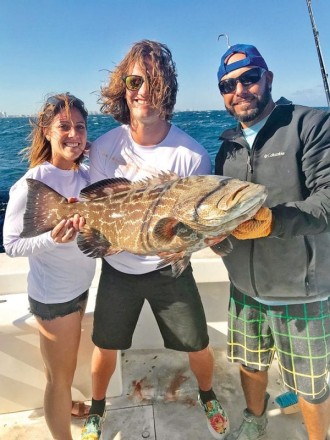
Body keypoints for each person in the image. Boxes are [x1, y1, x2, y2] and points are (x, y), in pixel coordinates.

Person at [80, 40, 229, 440]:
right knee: (105, 345)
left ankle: (208, 394)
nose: (142, 91)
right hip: (117, 268)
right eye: (133, 81)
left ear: (167, 89)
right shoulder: (105, 147)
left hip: (170, 269)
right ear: (122, 87)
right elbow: (98, 208)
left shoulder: (193, 155)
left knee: (197, 343)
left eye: (153, 82)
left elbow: (199, 221)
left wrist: (217, 234)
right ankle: (97, 409)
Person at [215, 43, 330, 440]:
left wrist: (272, 222)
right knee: (250, 363)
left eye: (249, 78)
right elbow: (216, 212)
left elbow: (327, 201)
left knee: (311, 384)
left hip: (302, 289)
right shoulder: (227, 145)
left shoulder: (309, 124)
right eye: (228, 84)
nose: (240, 90)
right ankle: (254, 417)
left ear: (268, 78)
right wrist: (209, 238)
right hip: (244, 286)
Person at [3, 93, 96, 440]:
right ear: (46, 131)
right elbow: (11, 245)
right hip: (55, 299)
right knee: (61, 377)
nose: (74, 133)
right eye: (64, 126)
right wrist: (50, 240)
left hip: (80, 286)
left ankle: (68, 405)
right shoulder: (32, 183)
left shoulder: (86, 176)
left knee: (60, 371)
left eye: (81, 127)